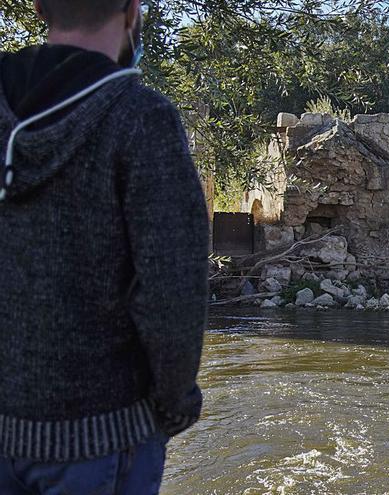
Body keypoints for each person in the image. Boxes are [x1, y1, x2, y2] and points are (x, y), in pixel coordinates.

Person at [0, 0, 209, 493]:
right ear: (132, 11)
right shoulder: (142, 119)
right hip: (102, 441)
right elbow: (172, 290)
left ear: (37, 6)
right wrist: (175, 404)